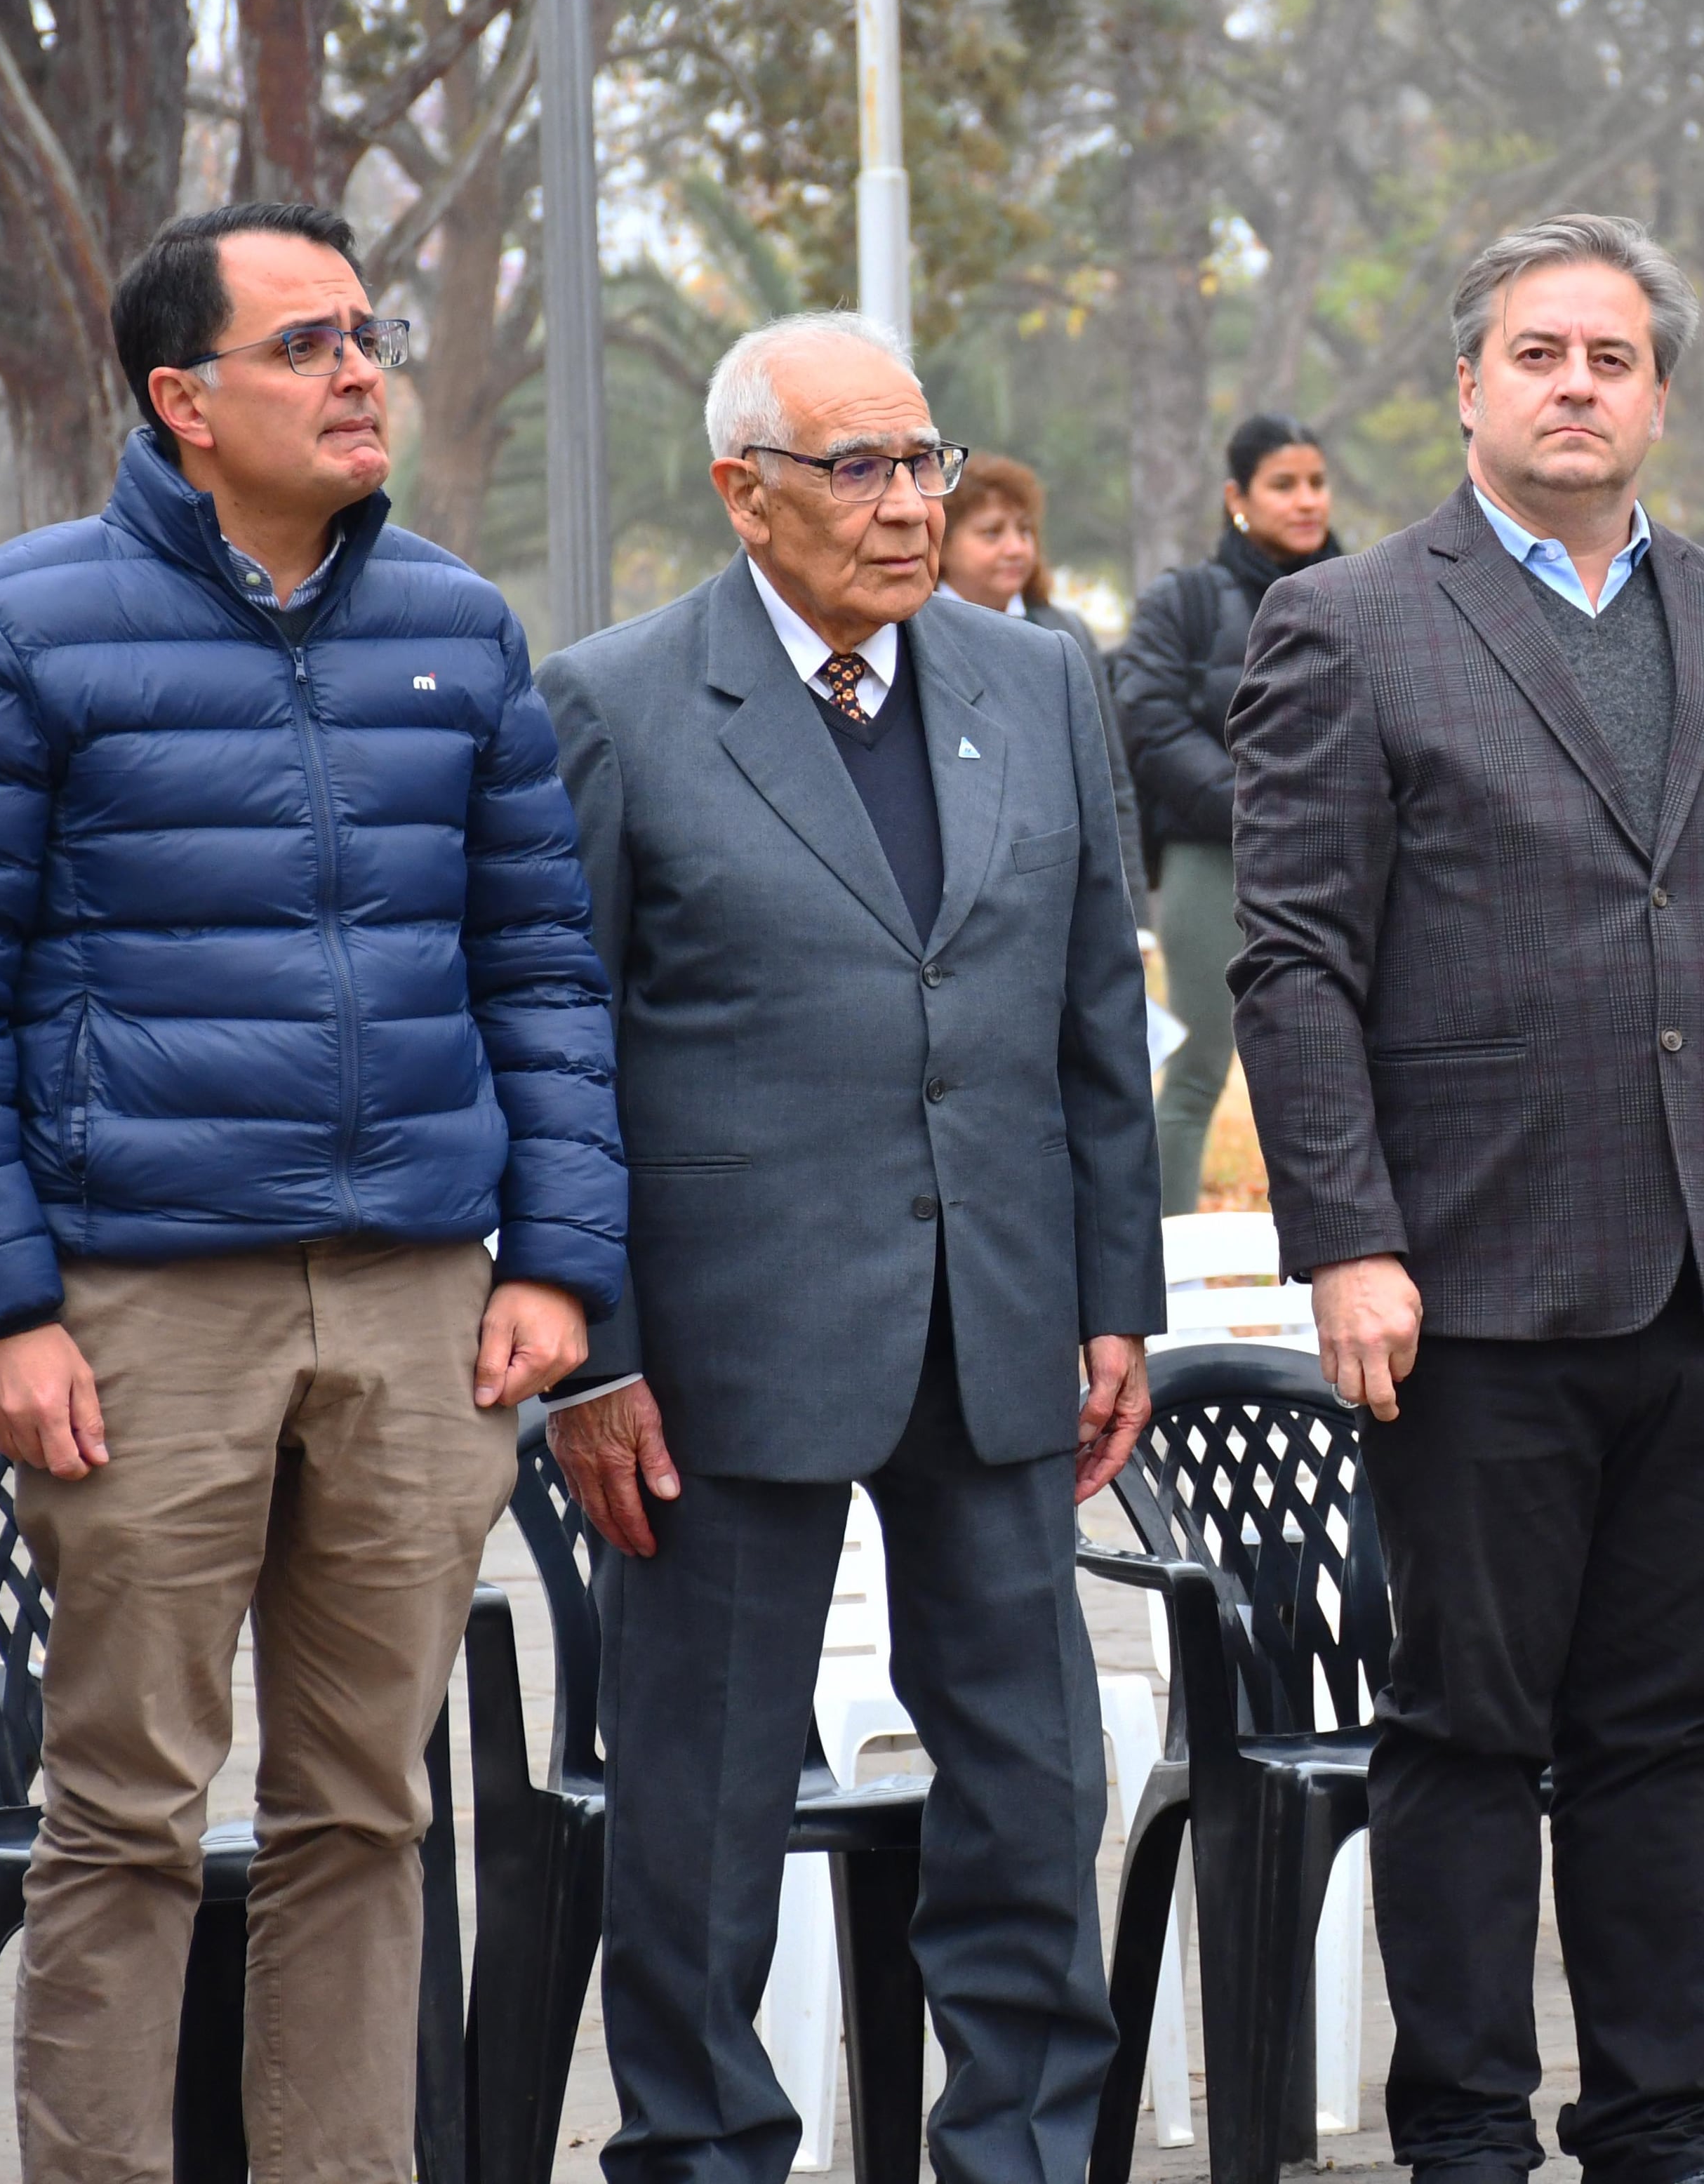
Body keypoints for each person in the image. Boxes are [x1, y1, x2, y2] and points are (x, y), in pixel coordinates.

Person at [0, 199, 625, 2181]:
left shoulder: (457, 626)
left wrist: (558, 1259)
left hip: (416, 1297)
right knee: (121, 1809)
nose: (362, 369)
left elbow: (541, 963)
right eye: (308, 345)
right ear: (184, 400)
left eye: (368, 333)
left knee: (372, 1806)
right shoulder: (19, 631)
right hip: (139, 1306)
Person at [1229, 213, 1704, 2184]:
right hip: (1465, 1285)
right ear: (1466, 386)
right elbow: (1293, 960)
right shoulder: (1349, 623)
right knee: (1466, 1724)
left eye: (1610, 357)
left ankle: (1659, 2126)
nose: (1573, 384)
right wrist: (1350, 1237)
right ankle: (1465, 2126)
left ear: (1656, 394)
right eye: (1536, 352)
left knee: (1661, 1727)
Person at [533, 312, 1162, 2184]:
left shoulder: (1034, 681)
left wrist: (1114, 1295)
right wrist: (594, 1347)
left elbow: (1090, 1024)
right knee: (706, 1809)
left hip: (1001, 1333)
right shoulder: (620, 702)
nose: (910, 508)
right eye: (861, 469)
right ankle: (704, 2148)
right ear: (745, 489)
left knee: (1035, 1794)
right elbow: (553, 1046)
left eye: (927, 462)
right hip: (718, 1358)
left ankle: (1026, 2151)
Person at [1114, 415, 1340, 1213]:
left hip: (1336, 866)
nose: (1306, 500)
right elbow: (1146, 720)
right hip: (1214, 861)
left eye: (1315, 482)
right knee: (1199, 1066)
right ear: (1235, 498)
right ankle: (1164, 1271)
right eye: (1283, 484)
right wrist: (1255, 806)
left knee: (1344, 1073)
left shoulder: (1364, 591)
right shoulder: (1183, 601)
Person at [940, 454, 1145, 900]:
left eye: (1025, 530)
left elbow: (1109, 785)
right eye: (991, 533)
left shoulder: (1065, 633)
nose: (1016, 548)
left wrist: (1134, 914)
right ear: (940, 542)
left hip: (1056, 885)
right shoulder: (908, 631)